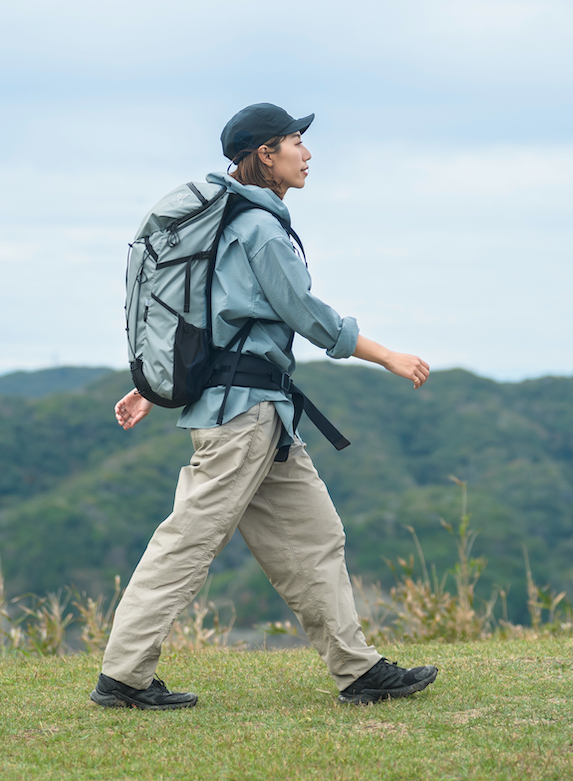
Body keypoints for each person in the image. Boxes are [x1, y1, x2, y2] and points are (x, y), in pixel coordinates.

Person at [90, 103, 437, 709]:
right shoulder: (258, 228)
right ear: (265, 154)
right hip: (243, 420)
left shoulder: (233, 224)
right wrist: (386, 355)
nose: (307, 154)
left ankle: (358, 671)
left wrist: (156, 387)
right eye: (295, 142)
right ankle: (123, 678)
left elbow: (207, 323)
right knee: (187, 543)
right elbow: (304, 312)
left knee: (314, 537)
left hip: (257, 413)